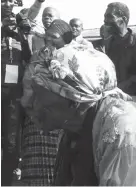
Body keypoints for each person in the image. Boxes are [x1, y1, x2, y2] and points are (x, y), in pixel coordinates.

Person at [20, 20, 136, 185]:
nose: (32, 105)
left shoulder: (123, 132)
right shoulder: (73, 126)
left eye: (41, 99)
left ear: (75, 101)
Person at [20, 19, 70, 186]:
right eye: (47, 36)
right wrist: (29, 107)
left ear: (65, 38)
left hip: (60, 121)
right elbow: (28, 83)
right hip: (37, 118)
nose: (49, 40)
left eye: (53, 36)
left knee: (59, 165)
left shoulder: (71, 58)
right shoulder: (39, 55)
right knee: (35, 167)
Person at [1, 0, 45, 185]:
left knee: (11, 142)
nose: (8, 4)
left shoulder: (20, 32)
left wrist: (38, 2)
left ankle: (5, 179)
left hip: (12, 94)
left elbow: (32, 14)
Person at [103, 2, 136, 107]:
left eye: (109, 16)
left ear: (123, 19)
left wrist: (120, 88)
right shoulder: (109, 42)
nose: (105, 20)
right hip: (113, 100)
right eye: (105, 16)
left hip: (135, 101)